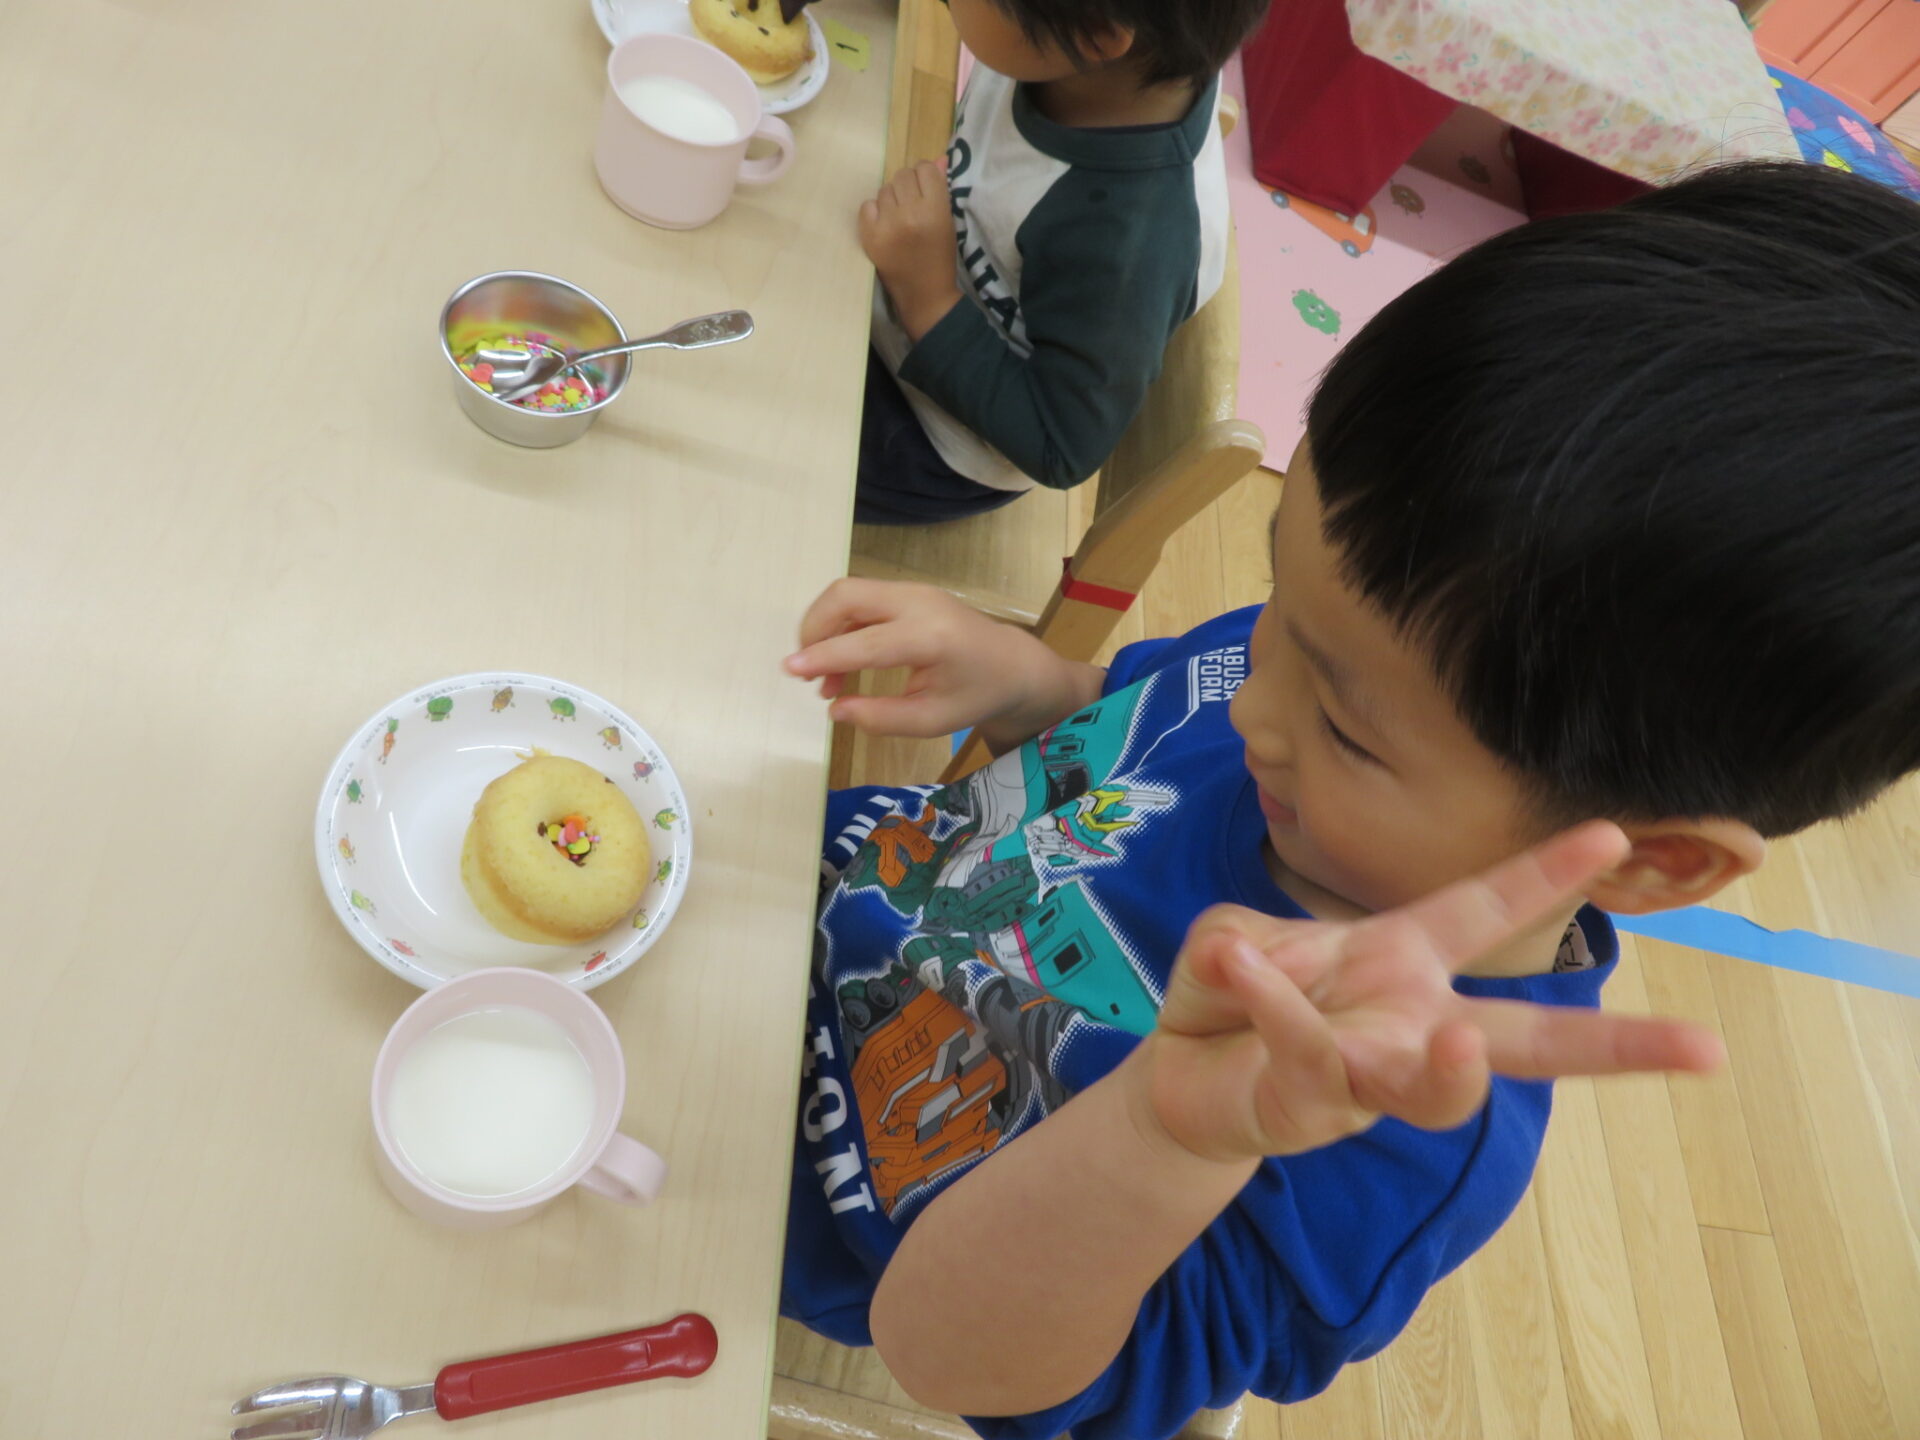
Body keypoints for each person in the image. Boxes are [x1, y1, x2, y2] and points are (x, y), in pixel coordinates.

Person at [780, 160, 1920, 1439]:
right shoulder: (1323, 666)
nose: (1251, 708)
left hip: (780, 1195)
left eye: (1337, 727)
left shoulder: (1384, 1136)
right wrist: (1033, 683)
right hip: (787, 893)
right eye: (1278, 606)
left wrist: (1168, 1137)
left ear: (1647, 863)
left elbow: (953, 1362)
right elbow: (1129, 736)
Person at [854, 0, 1270, 524]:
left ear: (1094, 34)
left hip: (932, 438)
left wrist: (928, 300)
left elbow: (1059, 444)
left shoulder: (1126, 246)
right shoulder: (1090, 52)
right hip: (906, 279)